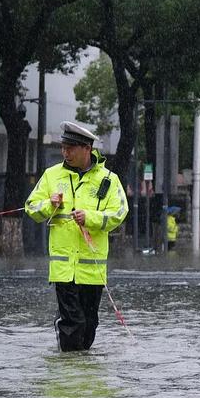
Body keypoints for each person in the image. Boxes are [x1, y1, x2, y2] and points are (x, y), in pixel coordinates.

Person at [25, 121, 128, 351]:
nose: (65, 153)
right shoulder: (51, 176)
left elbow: (120, 212)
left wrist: (90, 218)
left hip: (92, 271)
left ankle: (82, 377)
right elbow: (31, 207)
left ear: (87, 149)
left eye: (70, 148)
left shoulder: (109, 180)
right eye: (63, 147)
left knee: (89, 327)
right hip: (64, 269)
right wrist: (48, 204)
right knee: (73, 325)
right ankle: (66, 374)